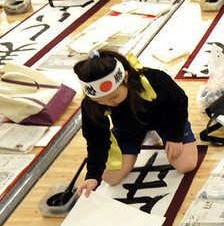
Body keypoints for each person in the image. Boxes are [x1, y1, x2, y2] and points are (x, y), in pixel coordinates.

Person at [74, 50, 198, 196]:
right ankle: (143, 137)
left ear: (125, 77)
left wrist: (175, 137)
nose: (109, 103)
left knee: (186, 164)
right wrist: (92, 176)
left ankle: (157, 134)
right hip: (128, 129)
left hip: (165, 120)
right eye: (101, 100)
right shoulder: (91, 104)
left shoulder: (153, 79)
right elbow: (96, 139)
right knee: (110, 178)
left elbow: (179, 101)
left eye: (114, 97)